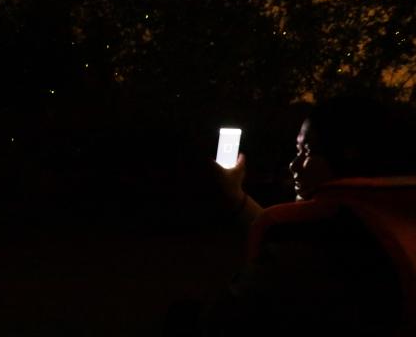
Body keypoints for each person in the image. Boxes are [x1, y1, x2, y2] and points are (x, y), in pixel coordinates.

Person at [164, 96, 416, 336]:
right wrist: (235, 194)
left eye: (307, 151)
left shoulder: (313, 254)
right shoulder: (389, 221)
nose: (294, 165)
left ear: (350, 153)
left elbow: (224, 318)